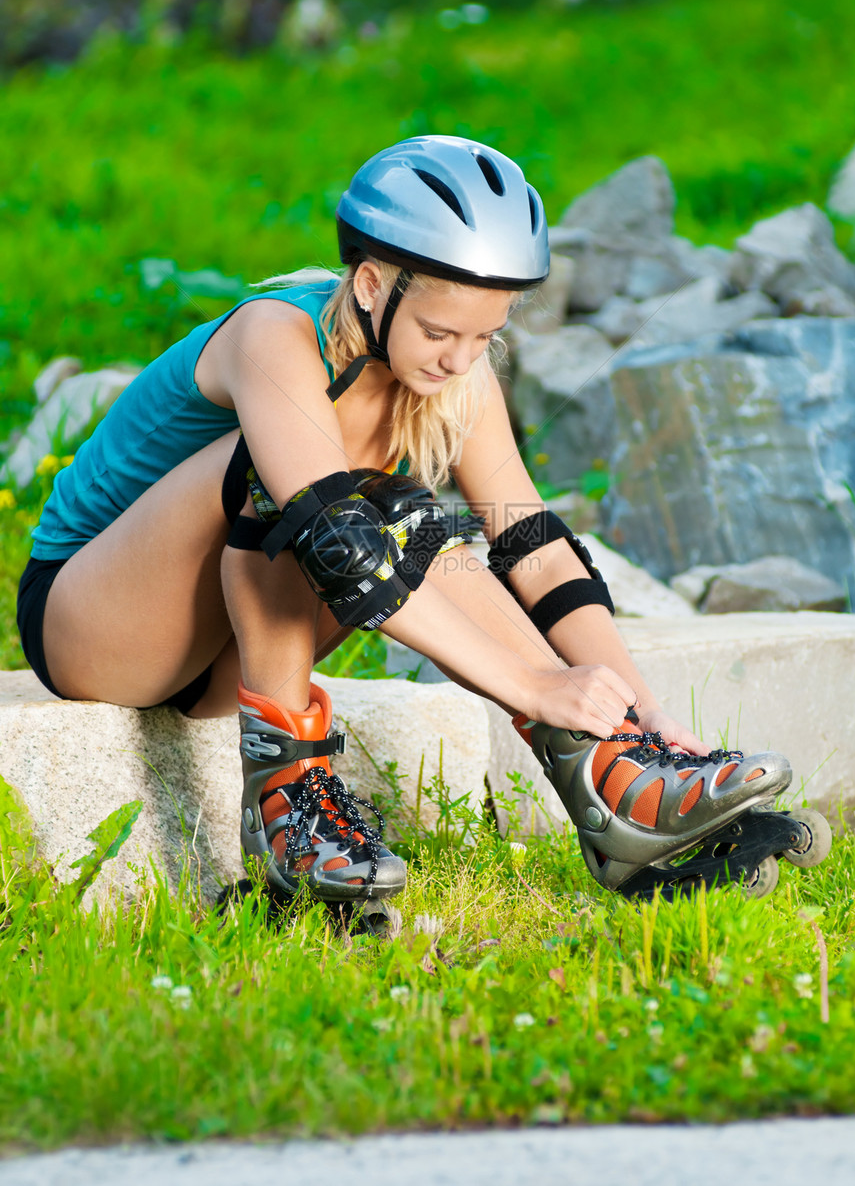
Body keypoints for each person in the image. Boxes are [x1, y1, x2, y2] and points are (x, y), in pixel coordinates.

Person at [17, 135, 793, 906]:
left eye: (485, 336)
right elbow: (336, 543)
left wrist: (634, 708)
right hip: (92, 623)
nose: (461, 360)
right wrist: (534, 686)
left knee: (418, 526)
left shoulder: (454, 372)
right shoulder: (273, 336)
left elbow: (536, 548)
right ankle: (292, 813)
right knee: (312, 494)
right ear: (368, 284)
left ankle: (618, 783)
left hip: (224, 649)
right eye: (440, 332)